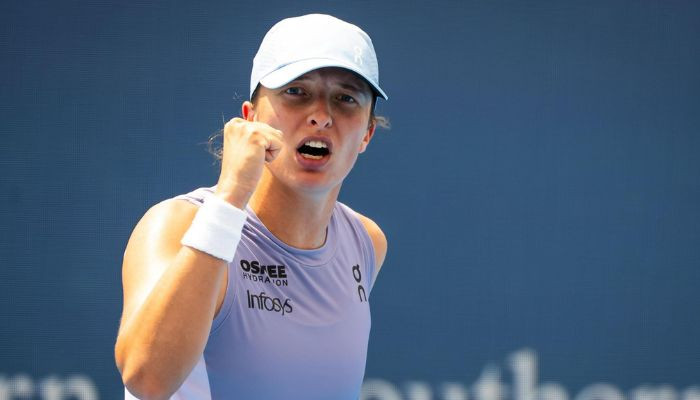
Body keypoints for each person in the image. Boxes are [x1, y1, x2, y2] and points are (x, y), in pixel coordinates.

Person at [114, 14, 389, 400]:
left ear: (367, 134)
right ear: (250, 118)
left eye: (346, 99)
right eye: (296, 91)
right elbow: (147, 379)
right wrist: (230, 198)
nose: (321, 116)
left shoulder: (366, 241)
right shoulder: (177, 223)